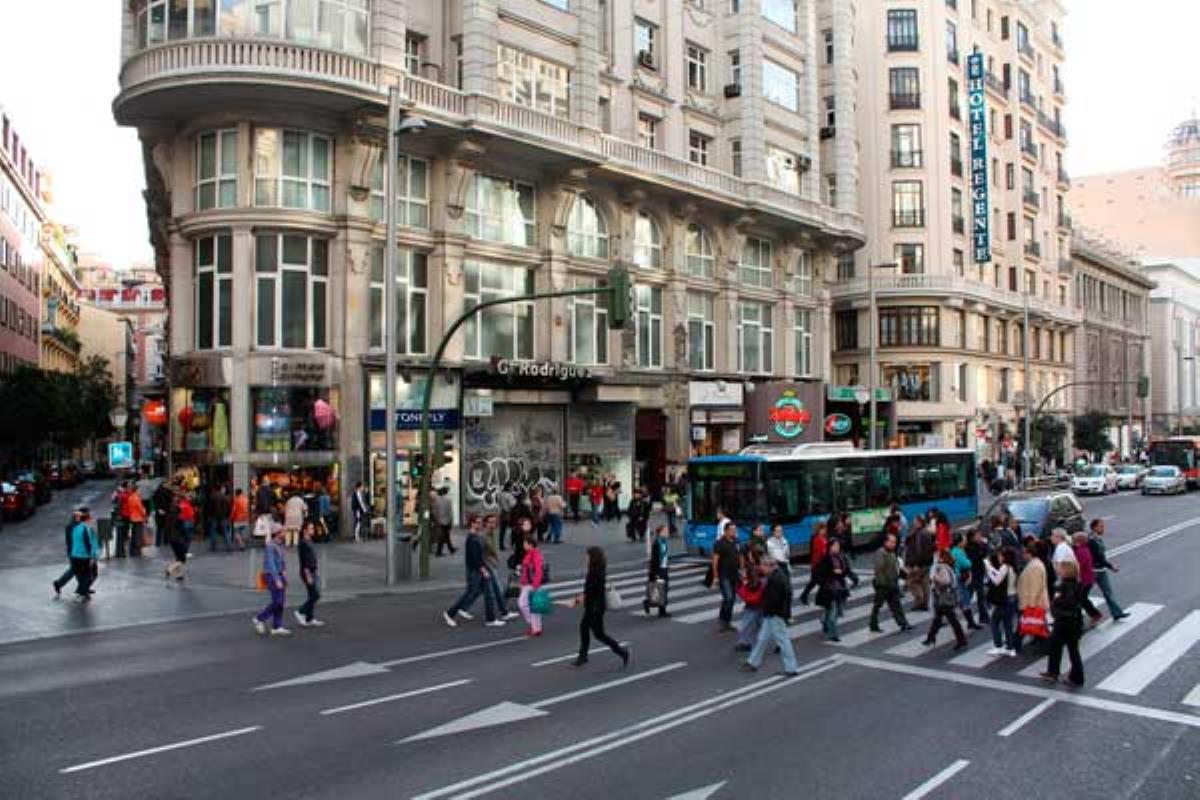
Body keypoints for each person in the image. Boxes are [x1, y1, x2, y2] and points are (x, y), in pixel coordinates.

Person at [572, 547, 630, 668]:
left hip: (595, 608)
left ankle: (621, 652)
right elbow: (591, 590)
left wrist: (579, 599)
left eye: (587, 556)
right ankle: (583, 656)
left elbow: (591, 590)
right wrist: (581, 597)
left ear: (593, 558)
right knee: (585, 628)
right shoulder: (596, 569)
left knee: (599, 634)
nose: (585, 558)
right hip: (594, 606)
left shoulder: (595, 572)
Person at [740, 558, 800, 675]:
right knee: (762, 638)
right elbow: (787, 594)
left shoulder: (775, 579)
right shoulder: (779, 575)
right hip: (774, 613)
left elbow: (773, 599)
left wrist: (769, 611)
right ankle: (752, 662)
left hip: (774, 614)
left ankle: (791, 668)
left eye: (763, 566)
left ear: (769, 566)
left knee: (783, 640)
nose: (761, 569)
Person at [444, 516, 503, 628]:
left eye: (480, 523)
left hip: (479, 569)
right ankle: (450, 613)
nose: (479, 525)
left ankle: (490, 619)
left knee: (488, 594)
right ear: (472, 524)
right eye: (477, 523)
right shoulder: (472, 539)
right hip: (475, 572)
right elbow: (475, 559)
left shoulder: (476, 537)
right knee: (470, 593)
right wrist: (484, 570)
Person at [1040, 560, 1086, 686]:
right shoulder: (1075, 583)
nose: (1058, 569)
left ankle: (1066, 675)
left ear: (1066, 570)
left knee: (1060, 647)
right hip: (1072, 622)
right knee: (1065, 648)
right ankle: (1059, 673)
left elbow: (1068, 603)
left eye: (1060, 568)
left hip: (1065, 622)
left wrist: (1056, 607)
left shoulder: (1066, 586)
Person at [802, 537, 857, 643]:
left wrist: (844, 573)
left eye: (838, 546)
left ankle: (824, 623)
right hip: (829, 590)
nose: (837, 547)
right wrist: (832, 573)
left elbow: (846, 570)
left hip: (840, 588)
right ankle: (833, 634)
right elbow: (818, 574)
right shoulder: (825, 559)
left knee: (835, 611)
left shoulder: (841, 557)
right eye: (835, 546)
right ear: (830, 547)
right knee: (833, 612)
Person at [868, 532, 912, 633]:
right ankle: (873, 624)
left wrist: (902, 574)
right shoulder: (881, 552)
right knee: (877, 606)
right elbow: (879, 569)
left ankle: (904, 623)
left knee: (897, 605)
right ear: (885, 542)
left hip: (892, 584)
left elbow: (895, 569)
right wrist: (885, 582)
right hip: (883, 585)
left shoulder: (892, 553)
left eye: (895, 542)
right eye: (891, 542)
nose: (894, 544)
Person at [924, 550, 968, 650]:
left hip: (943, 597)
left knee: (951, 619)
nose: (935, 558)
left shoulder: (941, 567)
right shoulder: (949, 566)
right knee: (938, 618)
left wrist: (935, 578)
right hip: (946, 596)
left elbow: (946, 581)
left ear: (941, 558)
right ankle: (930, 637)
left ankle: (961, 640)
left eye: (937, 556)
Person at [1088, 519, 1129, 621]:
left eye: (1103, 526)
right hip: (1093, 571)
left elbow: (1101, 557)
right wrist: (1111, 566)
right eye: (1101, 526)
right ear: (1094, 527)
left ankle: (1117, 613)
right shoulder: (1092, 540)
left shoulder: (1096, 538)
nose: (1103, 529)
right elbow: (1099, 557)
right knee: (1083, 594)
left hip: (1100, 570)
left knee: (1108, 593)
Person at [254, 526, 290, 636]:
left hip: (279, 574)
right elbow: (271, 564)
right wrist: (277, 579)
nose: (285, 532)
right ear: (277, 533)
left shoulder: (281, 544)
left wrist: (284, 571)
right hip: (271, 575)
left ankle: (277, 626)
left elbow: (282, 560)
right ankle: (260, 618)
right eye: (283, 531)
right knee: (277, 601)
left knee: (281, 602)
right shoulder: (270, 546)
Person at [1015, 539, 1049, 653]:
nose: (1023, 555)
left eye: (1024, 552)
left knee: (1028, 625)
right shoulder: (1035, 564)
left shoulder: (1034, 566)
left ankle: (1016, 645)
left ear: (1029, 553)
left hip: (1033, 602)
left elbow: (1035, 587)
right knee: (1037, 626)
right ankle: (1044, 647)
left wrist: (1031, 604)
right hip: (1034, 602)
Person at [985, 548, 1018, 656]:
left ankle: (998, 646)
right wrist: (992, 569)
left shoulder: (1005, 567)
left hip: (1004, 599)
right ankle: (1010, 647)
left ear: (1005, 557)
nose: (999, 558)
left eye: (1000, 556)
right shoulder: (1013, 567)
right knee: (1008, 623)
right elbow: (999, 574)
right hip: (1013, 597)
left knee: (994, 621)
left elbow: (996, 581)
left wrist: (989, 570)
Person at [294, 521, 325, 628]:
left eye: (313, 528)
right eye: (311, 528)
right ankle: (300, 611)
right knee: (316, 595)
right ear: (305, 530)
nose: (313, 530)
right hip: (307, 572)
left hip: (313, 571)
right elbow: (304, 560)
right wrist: (307, 575)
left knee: (312, 595)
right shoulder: (303, 543)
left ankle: (309, 618)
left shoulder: (309, 541)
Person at [711, 521, 741, 633]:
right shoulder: (719, 543)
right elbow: (715, 561)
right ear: (726, 531)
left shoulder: (736, 541)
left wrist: (742, 569)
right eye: (732, 530)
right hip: (724, 575)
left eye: (735, 530)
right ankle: (722, 621)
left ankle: (727, 622)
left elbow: (740, 555)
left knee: (732, 599)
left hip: (734, 575)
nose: (734, 532)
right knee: (728, 597)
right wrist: (715, 576)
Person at [68, 508, 100, 601]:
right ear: (87, 519)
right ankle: (80, 592)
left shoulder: (75, 528)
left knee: (83, 575)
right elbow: (89, 543)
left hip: (75, 555)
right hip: (84, 556)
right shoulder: (86, 529)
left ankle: (82, 591)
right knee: (91, 575)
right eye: (90, 519)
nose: (92, 520)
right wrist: (92, 557)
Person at [1072, 532, 1105, 624]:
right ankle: (1094, 614)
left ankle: (1094, 614)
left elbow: (1079, 566)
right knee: (1082, 598)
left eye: (1073, 540)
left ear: (1078, 541)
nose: (1072, 541)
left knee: (1081, 598)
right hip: (1087, 579)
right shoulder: (1083, 549)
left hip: (1085, 580)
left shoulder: (1081, 551)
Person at [733, 561, 766, 652]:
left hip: (753, 608)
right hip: (760, 607)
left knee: (746, 626)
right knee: (762, 626)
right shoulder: (763, 582)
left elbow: (746, 597)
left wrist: (740, 584)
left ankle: (745, 643)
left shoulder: (749, 585)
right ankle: (745, 642)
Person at [517, 532, 546, 637]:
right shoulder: (530, 553)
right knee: (531, 606)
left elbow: (539, 571)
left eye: (525, 543)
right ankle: (535, 627)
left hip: (532, 584)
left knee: (525, 604)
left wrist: (535, 585)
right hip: (527, 584)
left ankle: (535, 627)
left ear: (530, 544)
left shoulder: (535, 554)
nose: (523, 545)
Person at [950, 534, 981, 630]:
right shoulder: (958, 552)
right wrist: (968, 560)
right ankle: (971, 622)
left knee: (963, 599)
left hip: (957, 577)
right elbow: (967, 563)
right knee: (965, 600)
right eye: (963, 540)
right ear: (959, 542)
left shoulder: (954, 551)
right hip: (960, 578)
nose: (965, 541)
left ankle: (970, 622)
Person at [53, 507, 85, 598]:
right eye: (79, 517)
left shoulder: (74, 526)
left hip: (75, 552)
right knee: (75, 570)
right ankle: (59, 584)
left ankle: (83, 588)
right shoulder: (73, 527)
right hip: (75, 552)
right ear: (75, 517)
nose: (81, 518)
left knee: (77, 570)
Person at [905, 517, 934, 612]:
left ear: (920, 523)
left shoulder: (921, 534)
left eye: (915, 522)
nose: (913, 523)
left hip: (920, 563)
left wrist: (915, 564)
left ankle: (919, 600)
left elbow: (919, 551)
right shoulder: (924, 533)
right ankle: (925, 603)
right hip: (927, 562)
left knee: (911, 581)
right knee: (924, 583)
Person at [167, 491, 195, 581]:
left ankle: (179, 574)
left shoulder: (169, 517)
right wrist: (187, 540)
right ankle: (170, 568)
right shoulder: (179, 519)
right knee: (182, 558)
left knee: (178, 556)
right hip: (178, 539)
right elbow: (183, 531)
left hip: (171, 539)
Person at [644, 523, 671, 617]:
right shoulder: (656, 543)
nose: (668, 532)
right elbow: (654, 560)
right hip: (659, 570)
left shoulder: (663, 541)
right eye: (666, 531)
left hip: (664, 569)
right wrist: (656, 573)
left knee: (664, 589)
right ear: (661, 532)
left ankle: (661, 610)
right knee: (660, 589)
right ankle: (654, 606)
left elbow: (664, 556)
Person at [121, 482, 148, 558]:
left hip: (132, 518)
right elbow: (140, 509)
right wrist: (145, 515)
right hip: (138, 518)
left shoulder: (131, 497)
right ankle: (137, 552)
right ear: (136, 490)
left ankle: (133, 551)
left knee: (134, 535)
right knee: (138, 536)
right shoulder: (136, 498)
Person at [432, 485, 456, 556]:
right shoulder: (448, 500)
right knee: (443, 536)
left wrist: (436, 519)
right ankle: (439, 552)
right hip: (447, 521)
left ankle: (450, 549)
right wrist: (451, 521)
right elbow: (450, 512)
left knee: (445, 536)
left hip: (439, 521)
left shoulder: (436, 500)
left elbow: (435, 511)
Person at [208, 484, 232, 552]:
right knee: (225, 531)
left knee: (213, 531)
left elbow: (210, 508)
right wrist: (227, 515)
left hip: (214, 516)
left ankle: (213, 546)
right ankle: (229, 546)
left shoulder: (212, 496)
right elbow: (228, 507)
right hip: (223, 516)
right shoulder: (224, 497)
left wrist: (210, 515)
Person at [152, 480, 174, 548]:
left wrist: (157, 509)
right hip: (165, 510)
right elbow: (170, 500)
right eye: (167, 484)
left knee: (159, 528)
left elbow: (155, 501)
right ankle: (165, 541)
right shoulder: (167, 491)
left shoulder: (157, 491)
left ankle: (158, 542)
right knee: (165, 527)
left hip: (160, 511)